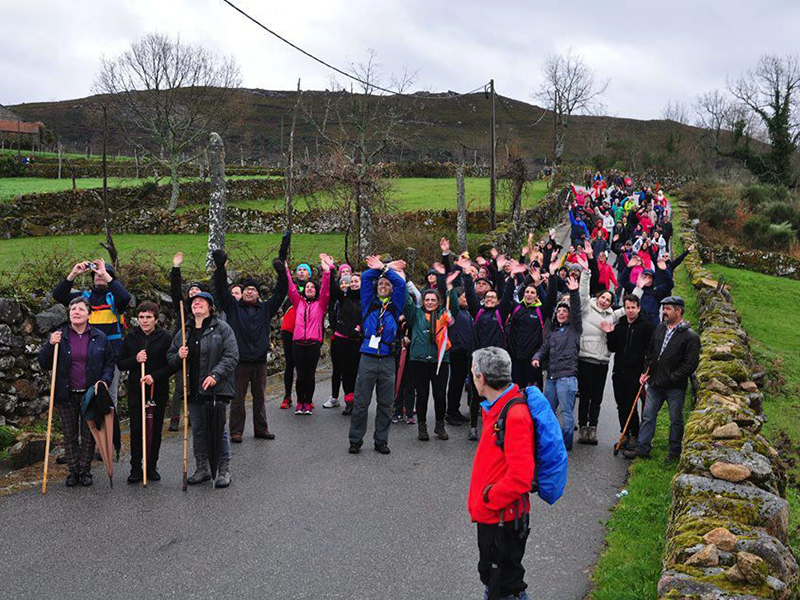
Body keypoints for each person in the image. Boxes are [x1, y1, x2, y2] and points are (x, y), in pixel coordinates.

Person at [467, 347, 534, 600]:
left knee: (506, 586)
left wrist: (489, 497)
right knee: (495, 580)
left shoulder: (513, 414)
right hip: (496, 516)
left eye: (474, 374)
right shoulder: (498, 407)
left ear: (481, 377)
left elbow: (521, 475)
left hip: (502, 518)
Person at [212, 239, 287, 443]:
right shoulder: (233, 307)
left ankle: (261, 429)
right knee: (237, 399)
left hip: (260, 360)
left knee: (260, 398)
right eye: (246, 289)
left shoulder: (265, 309)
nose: (249, 292)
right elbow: (220, 290)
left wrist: (282, 273)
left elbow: (281, 293)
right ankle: (236, 431)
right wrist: (220, 268)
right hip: (239, 361)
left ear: (257, 293)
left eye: (253, 289)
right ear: (242, 292)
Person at [38, 297, 115, 487]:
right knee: (69, 434)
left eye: (81, 309)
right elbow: (44, 363)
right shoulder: (60, 336)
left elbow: (109, 363)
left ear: (89, 314)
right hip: (66, 394)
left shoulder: (100, 337)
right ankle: (73, 472)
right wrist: (50, 344)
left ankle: (85, 471)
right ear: (69, 313)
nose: (76, 312)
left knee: (89, 434)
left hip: (90, 394)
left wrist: (104, 381)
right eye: (73, 309)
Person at [169, 292, 239, 487]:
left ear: (210, 306)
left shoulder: (222, 328)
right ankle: (203, 468)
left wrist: (215, 375)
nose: (196, 303)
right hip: (192, 389)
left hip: (216, 389)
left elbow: (232, 356)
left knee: (218, 429)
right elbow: (171, 356)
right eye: (194, 302)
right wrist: (178, 356)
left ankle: (224, 469)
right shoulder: (185, 331)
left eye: (201, 301)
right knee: (198, 430)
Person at [624, 296, 700, 463]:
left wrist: (673, 377)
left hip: (675, 387)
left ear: (678, 311)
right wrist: (645, 371)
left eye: (668, 309)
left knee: (675, 420)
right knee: (648, 416)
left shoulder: (690, 336)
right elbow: (650, 353)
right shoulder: (660, 328)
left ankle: (674, 452)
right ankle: (643, 448)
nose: (664, 312)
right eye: (664, 308)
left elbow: (691, 364)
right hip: (654, 383)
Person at [348, 256, 406, 455]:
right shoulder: (368, 302)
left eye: (386, 284)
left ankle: (381, 440)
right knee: (361, 402)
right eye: (380, 283)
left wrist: (386, 269)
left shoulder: (395, 305)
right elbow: (365, 277)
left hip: (388, 359)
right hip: (368, 358)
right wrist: (384, 269)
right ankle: (355, 440)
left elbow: (400, 283)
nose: (383, 285)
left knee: (385, 404)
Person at [53, 258, 131, 405]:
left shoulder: (115, 299)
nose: (100, 276)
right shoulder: (84, 299)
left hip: (110, 356)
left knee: (108, 399)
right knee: (87, 399)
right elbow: (58, 295)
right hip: (86, 354)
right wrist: (73, 273)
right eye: (96, 274)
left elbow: (125, 297)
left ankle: (109, 428)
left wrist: (105, 273)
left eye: (104, 274)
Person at [116, 301, 177, 483]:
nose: (144, 321)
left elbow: (172, 365)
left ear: (156, 319)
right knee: (136, 429)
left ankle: (151, 466)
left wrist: (154, 376)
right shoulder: (131, 338)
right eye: (141, 317)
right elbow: (120, 363)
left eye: (148, 317)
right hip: (136, 389)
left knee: (155, 429)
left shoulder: (166, 338)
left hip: (157, 389)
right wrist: (135, 359)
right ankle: (135, 468)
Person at [404, 278, 459, 441]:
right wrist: (403, 280)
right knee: (421, 395)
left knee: (440, 394)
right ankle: (422, 426)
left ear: (439, 301)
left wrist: (450, 289)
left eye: (433, 300)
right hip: (418, 360)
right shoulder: (415, 314)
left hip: (440, 361)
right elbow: (406, 302)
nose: (429, 302)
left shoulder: (445, 315)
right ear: (422, 301)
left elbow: (454, 305)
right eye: (427, 299)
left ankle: (439, 425)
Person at [532, 271, 582, 449]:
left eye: (564, 311)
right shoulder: (553, 333)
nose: (561, 313)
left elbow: (576, 311)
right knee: (548, 411)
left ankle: (566, 443)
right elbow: (544, 349)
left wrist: (574, 292)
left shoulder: (575, 329)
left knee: (566, 413)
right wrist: (537, 357)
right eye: (558, 311)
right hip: (552, 377)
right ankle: (548, 441)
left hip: (567, 377)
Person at [285, 254, 332, 415]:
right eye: (307, 287)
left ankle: (308, 402)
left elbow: (326, 290)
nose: (309, 288)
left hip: (313, 344)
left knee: (310, 375)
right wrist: (285, 270)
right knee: (300, 375)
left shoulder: (321, 304)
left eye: (312, 287)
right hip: (298, 343)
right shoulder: (299, 303)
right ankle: (299, 403)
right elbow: (291, 288)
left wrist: (327, 272)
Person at [606, 295, 654, 451]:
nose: (630, 310)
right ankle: (624, 434)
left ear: (638, 308)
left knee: (631, 405)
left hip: (636, 374)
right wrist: (610, 333)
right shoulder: (619, 326)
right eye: (627, 307)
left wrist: (645, 371)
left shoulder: (646, 326)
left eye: (633, 307)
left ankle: (635, 435)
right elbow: (612, 348)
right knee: (621, 405)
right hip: (618, 372)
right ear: (624, 309)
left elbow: (650, 350)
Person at [167, 251, 204, 431]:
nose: (193, 292)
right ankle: (175, 418)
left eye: (197, 290)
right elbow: (175, 291)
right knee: (180, 387)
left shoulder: (206, 312)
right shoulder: (183, 309)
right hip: (182, 351)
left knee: (194, 385)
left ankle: (191, 417)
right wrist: (176, 268)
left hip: (199, 352)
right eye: (191, 290)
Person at [325, 271, 362, 414]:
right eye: (351, 281)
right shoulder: (343, 297)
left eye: (356, 281)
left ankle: (358, 401)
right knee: (345, 372)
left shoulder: (366, 299)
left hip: (357, 340)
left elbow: (367, 316)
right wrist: (330, 270)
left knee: (356, 372)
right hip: (341, 339)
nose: (352, 284)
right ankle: (349, 401)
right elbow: (333, 287)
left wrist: (359, 328)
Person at [280, 262, 311, 409]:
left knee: (304, 367)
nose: (302, 272)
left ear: (309, 274)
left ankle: (305, 398)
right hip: (288, 330)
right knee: (289, 365)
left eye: (305, 270)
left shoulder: (312, 289)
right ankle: (287, 396)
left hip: (305, 332)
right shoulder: (290, 289)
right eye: (299, 270)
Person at [445, 287, 473, 426]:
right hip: (456, 351)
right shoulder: (454, 312)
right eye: (464, 297)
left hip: (465, 352)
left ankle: (455, 410)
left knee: (460, 383)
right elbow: (453, 302)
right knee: (455, 383)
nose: (466, 300)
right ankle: (450, 413)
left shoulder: (467, 312)